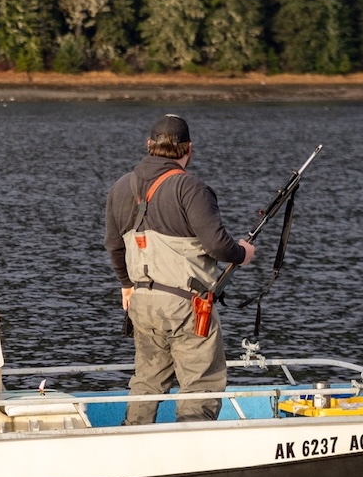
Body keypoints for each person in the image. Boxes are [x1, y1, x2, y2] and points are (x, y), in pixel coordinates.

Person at [103, 114, 255, 423]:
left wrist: (126, 284)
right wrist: (243, 253)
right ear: (189, 148)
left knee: (146, 380)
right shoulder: (191, 188)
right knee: (200, 384)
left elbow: (114, 245)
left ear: (149, 145)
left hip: (141, 302)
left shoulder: (120, 187)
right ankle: (191, 447)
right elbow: (217, 246)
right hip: (187, 305)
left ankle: (133, 437)